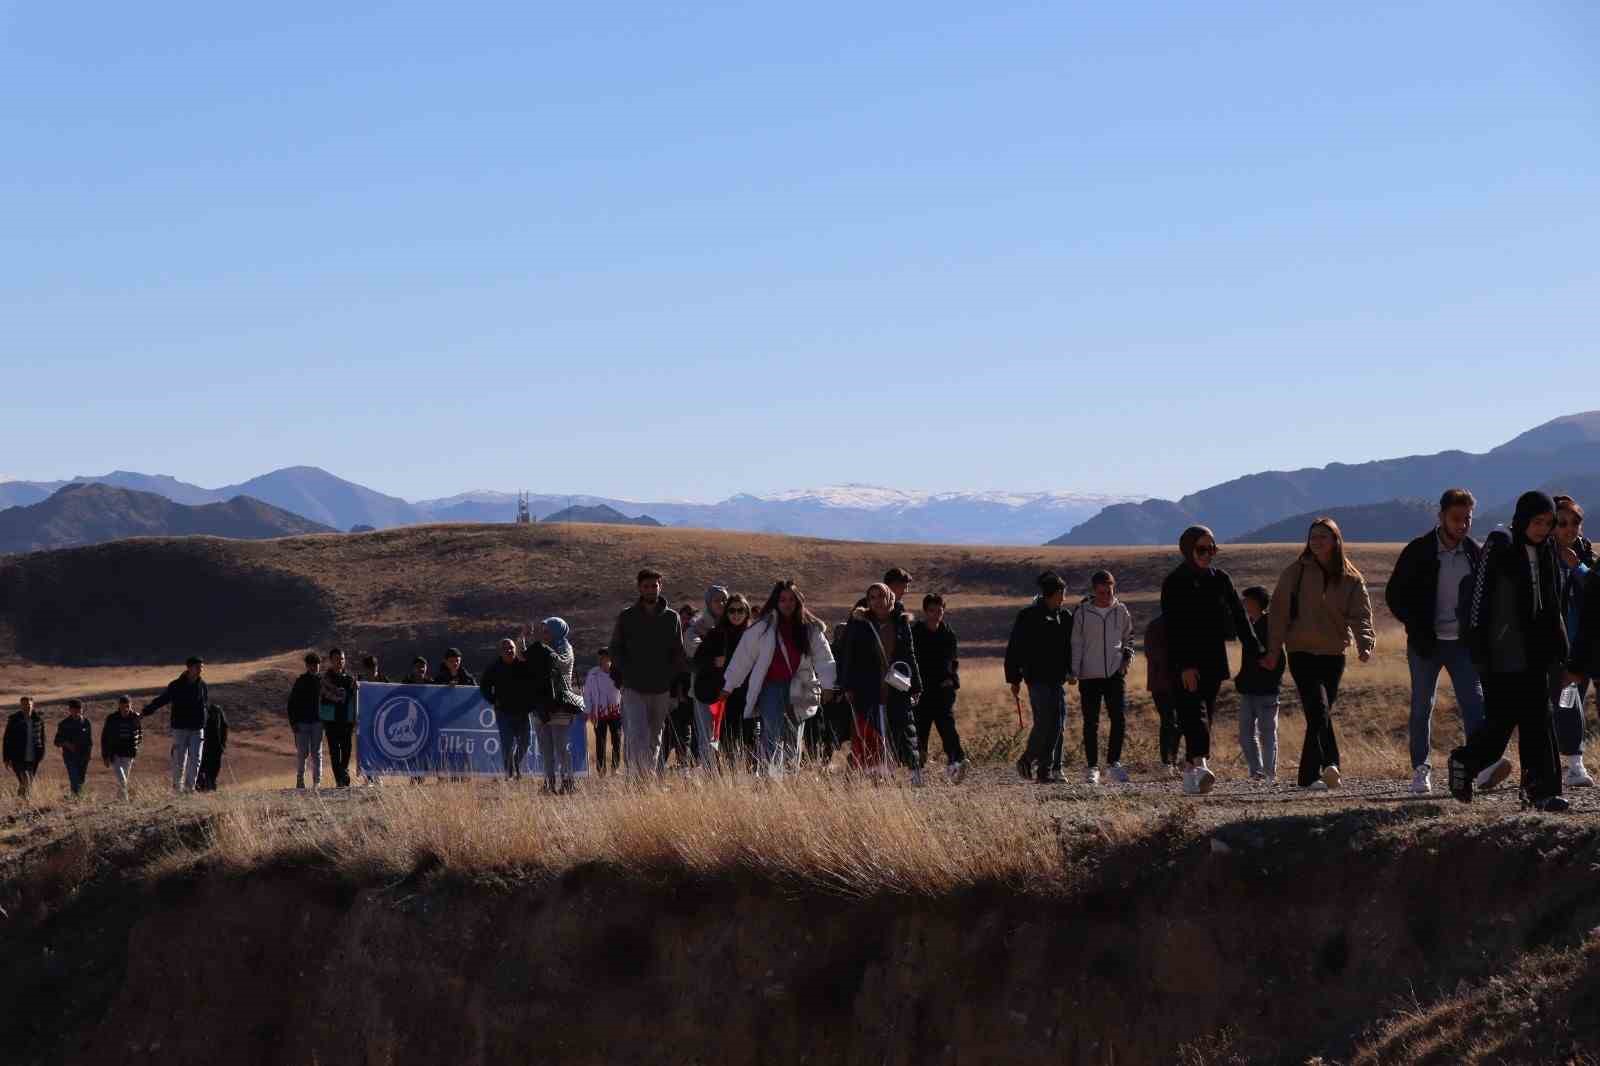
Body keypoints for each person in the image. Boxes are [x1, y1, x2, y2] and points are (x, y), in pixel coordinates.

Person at [1451, 491, 1569, 812]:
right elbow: (1479, 596)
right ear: (1523, 519)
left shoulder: (1546, 552)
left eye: (1548, 523)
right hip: (1500, 652)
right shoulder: (1500, 544)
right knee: (1502, 721)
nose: (1542, 529)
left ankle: (1540, 792)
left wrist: (1560, 643)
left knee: (1538, 719)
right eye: (1537, 522)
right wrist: (1478, 646)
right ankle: (1464, 762)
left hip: (1534, 652)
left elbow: (1552, 602)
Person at [1385, 488, 1487, 796]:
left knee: (1474, 705)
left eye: (1467, 518)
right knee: (1421, 706)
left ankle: (1476, 769)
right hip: (1426, 644)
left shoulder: (1475, 552)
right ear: (1441, 516)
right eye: (1456, 518)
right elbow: (1395, 595)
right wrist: (1416, 626)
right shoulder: (1418, 551)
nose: (1462, 525)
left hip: (1463, 645)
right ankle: (1421, 770)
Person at [1264, 518, 1375, 791]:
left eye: (1323, 536)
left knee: (1320, 715)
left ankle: (1319, 770)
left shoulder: (1351, 577)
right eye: (1313, 536)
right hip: (1301, 651)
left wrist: (1365, 643)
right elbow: (1278, 613)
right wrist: (1273, 649)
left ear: (1336, 540)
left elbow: (1360, 614)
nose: (1316, 541)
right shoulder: (1296, 572)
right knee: (1318, 710)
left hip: (1333, 654)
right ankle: (1320, 770)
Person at [1161, 527, 1262, 796]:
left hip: (1214, 659)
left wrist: (1255, 647)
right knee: (1196, 714)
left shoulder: (1221, 579)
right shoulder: (1175, 582)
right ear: (1188, 550)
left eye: (1212, 549)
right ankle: (1202, 766)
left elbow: (1240, 616)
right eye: (1202, 549)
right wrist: (1185, 665)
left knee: (1206, 713)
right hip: (1184, 662)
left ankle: (1190, 774)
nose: (1208, 555)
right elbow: (1172, 627)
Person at [721, 580, 838, 774]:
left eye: (791, 599)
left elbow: (824, 658)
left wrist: (828, 685)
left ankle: (790, 776)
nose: (787, 603)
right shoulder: (762, 628)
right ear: (776, 601)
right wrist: (729, 685)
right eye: (782, 599)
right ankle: (771, 777)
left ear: (798, 601)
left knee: (794, 734)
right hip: (771, 688)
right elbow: (743, 657)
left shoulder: (809, 629)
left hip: (800, 687)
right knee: (771, 733)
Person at [835, 582, 920, 782]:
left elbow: (910, 655)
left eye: (880, 596)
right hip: (867, 686)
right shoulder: (860, 623)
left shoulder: (901, 623)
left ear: (889, 597)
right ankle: (873, 773)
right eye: (872, 597)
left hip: (895, 686)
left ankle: (909, 771)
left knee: (900, 729)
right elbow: (850, 656)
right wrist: (847, 686)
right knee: (870, 729)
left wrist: (916, 686)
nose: (877, 601)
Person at [609, 568, 689, 778]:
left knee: (655, 735)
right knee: (637, 734)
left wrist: (672, 679)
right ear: (639, 588)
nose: (651, 589)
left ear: (660, 587)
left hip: (661, 688)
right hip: (634, 687)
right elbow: (615, 649)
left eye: (654, 585)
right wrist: (627, 672)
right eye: (646, 586)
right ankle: (637, 777)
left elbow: (678, 653)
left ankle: (647, 777)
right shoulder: (627, 617)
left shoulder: (672, 618)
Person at [1006, 571, 1074, 785]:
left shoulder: (1065, 617)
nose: (1063, 598)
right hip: (1036, 679)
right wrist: (1014, 679)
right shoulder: (1028, 616)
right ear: (1052, 594)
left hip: (1057, 679)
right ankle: (1027, 760)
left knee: (1058, 724)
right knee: (1045, 723)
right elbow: (1014, 648)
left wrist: (1072, 670)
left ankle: (1044, 770)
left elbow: (1070, 648)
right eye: (1061, 593)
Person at [1071, 571, 1134, 785]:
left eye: (1110, 591)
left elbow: (1129, 638)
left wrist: (1126, 660)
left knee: (1119, 718)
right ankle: (1092, 768)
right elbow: (1076, 642)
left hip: (1115, 674)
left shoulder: (1121, 610)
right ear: (1093, 591)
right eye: (1102, 591)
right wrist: (1074, 670)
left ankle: (1114, 763)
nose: (1106, 595)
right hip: (1089, 675)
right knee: (1091, 722)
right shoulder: (1082, 612)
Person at [1553, 500, 1593, 787]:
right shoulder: (1541, 554)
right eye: (1562, 523)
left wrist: (1577, 567)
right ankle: (1575, 763)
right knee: (1568, 700)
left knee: (1575, 700)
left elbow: (1596, 586)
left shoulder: (1585, 552)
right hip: (1556, 645)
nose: (1569, 529)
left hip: (1585, 643)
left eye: (1574, 523)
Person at [911, 593, 966, 783]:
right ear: (925, 611)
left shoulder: (948, 634)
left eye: (940, 610)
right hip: (921, 691)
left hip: (942, 691)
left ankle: (955, 764)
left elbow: (953, 661)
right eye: (932, 611)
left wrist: (951, 680)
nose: (936, 614)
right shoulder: (915, 633)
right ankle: (916, 771)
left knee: (948, 729)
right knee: (920, 731)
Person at [694, 594, 753, 770]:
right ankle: (726, 775)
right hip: (723, 695)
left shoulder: (753, 636)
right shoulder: (717, 634)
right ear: (726, 613)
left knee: (748, 738)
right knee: (725, 738)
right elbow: (697, 660)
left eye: (740, 610)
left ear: (747, 612)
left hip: (747, 694)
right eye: (732, 610)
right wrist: (714, 662)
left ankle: (744, 774)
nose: (736, 614)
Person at [1234, 587, 1285, 781]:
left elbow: (1278, 657)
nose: (1244, 603)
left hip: (1266, 690)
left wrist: (1269, 672)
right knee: (1246, 734)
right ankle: (1256, 772)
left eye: (1246, 600)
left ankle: (1269, 773)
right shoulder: (1251, 626)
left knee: (1267, 733)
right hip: (1249, 689)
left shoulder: (1269, 626)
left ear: (1256, 602)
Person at [140, 657, 210, 794]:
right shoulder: (176, 685)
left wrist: (205, 721)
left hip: (197, 728)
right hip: (180, 728)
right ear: (189, 668)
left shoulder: (203, 686)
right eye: (198, 667)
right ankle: (177, 789)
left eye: (202, 667)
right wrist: (145, 712)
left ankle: (190, 789)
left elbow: (205, 706)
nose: (201, 670)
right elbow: (162, 700)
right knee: (179, 759)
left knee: (196, 759)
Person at [530, 618, 583, 793]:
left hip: (559, 703)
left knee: (561, 747)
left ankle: (568, 782)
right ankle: (549, 782)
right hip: (541, 703)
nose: (543, 635)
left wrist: (543, 650)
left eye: (547, 631)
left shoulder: (565, 648)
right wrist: (523, 638)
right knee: (545, 749)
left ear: (556, 631)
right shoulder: (541, 649)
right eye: (542, 631)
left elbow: (560, 663)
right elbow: (524, 658)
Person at [481, 637, 537, 780]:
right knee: (507, 745)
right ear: (500, 652)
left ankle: (515, 765)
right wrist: (493, 700)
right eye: (506, 649)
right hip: (503, 713)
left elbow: (534, 684)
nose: (509, 651)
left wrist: (531, 704)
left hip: (523, 713)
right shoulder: (494, 667)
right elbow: (484, 686)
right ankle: (509, 774)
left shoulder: (523, 665)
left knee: (525, 743)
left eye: (511, 648)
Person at [685, 586, 729, 768]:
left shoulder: (733, 623)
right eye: (717, 600)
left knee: (728, 733)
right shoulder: (697, 626)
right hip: (705, 688)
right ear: (708, 602)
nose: (721, 603)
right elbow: (694, 650)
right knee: (707, 734)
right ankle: (710, 774)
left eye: (724, 599)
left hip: (729, 688)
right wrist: (716, 657)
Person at [658, 604, 700, 770]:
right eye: (683, 617)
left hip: (694, 694)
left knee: (694, 731)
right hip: (675, 696)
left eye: (689, 617)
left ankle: (690, 764)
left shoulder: (696, 639)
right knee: (672, 731)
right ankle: (662, 764)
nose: (686, 621)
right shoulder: (671, 642)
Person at [1144, 615, 1181, 775]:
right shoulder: (1156, 625)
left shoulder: (1158, 623)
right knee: (1169, 721)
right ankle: (1167, 763)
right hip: (1162, 683)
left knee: (1177, 723)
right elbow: (1153, 654)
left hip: (1177, 682)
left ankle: (1172, 761)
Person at [319, 648, 358, 788]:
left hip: (346, 720)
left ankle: (344, 772)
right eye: (336, 659)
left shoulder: (350, 679)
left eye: (341, 659)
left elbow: (355, 698)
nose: (339, 662)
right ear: (331, 661)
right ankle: (340, 781)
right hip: (331, 721)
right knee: (335, 752)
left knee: (347, 750)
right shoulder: (325, 679)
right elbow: (322, 697)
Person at [287, 652, 325, 789]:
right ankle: (300, 780)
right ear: (307, 666)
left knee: (317, 753)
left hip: (318, 723)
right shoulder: (300, 681)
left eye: (317, 665)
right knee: (302, 753)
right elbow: (291, 704)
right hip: (302, 723)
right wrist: (293, 723)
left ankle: (317, 782)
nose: (315, 667)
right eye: (312, 665)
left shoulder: (323, 681)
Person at [583, 647, 623, 775]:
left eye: (605, 657)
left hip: (616, 712)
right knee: (600, 740)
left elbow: (624, 691)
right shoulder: (593, 674)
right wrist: (589, 711)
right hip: (598, 713)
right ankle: (601, 769)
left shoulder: (617, 672)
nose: (602, 660)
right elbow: (587, 693)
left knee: (616, 739)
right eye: (600, 657)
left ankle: (615, 768)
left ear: (610, 658)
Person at [101, 695, 143, 800]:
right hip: (115, 753)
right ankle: (125, 799)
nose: (125, 709)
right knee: (122, 778)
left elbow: (139, 733)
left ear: (130, 705)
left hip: (129, 753)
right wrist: (105, 755)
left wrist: (136, 747)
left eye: (127, 706)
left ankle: (120, 799)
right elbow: (104, 737)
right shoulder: (112, 718)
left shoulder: (135, 717)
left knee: (124, 778)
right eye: (123, 706)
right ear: (119, 706)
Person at [3, 697, 45, 798]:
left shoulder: (38, 719)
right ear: (21, 706)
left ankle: (21, 800)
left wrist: (42, 753)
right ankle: (25, 800)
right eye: (24, 705)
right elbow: (7, 739)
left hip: (34, 756)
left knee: (28, 781)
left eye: (29, 705)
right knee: (25, 779)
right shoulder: (14, 719)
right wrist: (6, 758)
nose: (26, 707)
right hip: (17, 756)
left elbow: (43, 738)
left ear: (32, 705)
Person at [54, 699, 93, 797]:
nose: (76, 711)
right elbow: (57, 741)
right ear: (70, 710)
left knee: (81, 779)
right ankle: (76, 797)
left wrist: (89, 754)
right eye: (74, 709)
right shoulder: (64, 724)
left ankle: (77, 797)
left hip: (83, 756)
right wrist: (67, 744)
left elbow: (89, 741)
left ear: (82, 710)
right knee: (74, 777)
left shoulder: (86, 723)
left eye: (79, 709)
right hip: (70, 757)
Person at [196, 703, 228, 791]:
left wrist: (223, 744)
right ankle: (206, 787)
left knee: (207, 770)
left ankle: (206, 787)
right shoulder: (217, 712)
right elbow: (225, 728)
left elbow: (224, 728)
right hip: (211, 747)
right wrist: (223, 744)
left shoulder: (215, 712)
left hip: (210, 747)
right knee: (208, 770)